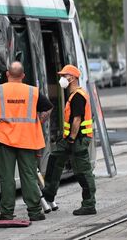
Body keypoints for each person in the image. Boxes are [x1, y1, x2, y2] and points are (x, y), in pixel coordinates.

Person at [0, 61, 53, 221]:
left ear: (7, 75)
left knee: (6, 177)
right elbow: (48, 107)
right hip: (27, 140)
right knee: (29, 176)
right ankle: (34, 212)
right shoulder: (33, 91)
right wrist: (40, 120)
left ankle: (7, 212)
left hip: (5, 140)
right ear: (23, 76)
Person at [42, 65, 97, 215]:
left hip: (78, 140)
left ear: (72, 78)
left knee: (83, 172)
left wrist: (71, 138)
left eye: (64, 76)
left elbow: (77, 120)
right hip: (71, 138)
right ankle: (49, 192)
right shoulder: (73, 95)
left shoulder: (78, 96)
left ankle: (89, 204)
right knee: (55, 158)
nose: (61, 79)